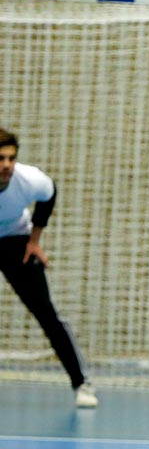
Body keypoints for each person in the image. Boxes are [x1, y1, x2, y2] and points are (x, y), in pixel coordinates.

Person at [0, 129, 96, 408]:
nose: (6, 165)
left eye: (11, 158)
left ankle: (82, 383)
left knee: (46, 312)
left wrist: (35, 241)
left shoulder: (30, 180)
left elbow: (49, 194)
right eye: (0, 159)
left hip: (17, 241)